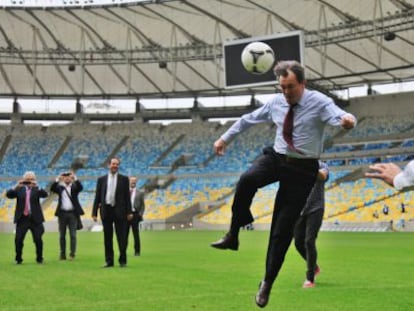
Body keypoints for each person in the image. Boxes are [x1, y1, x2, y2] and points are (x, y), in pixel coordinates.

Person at [210, 60, 356, 308]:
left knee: (281, 231)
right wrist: (225, 137)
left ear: (302, 83)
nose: (286, 93)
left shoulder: (319, 102)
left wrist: (348, 119)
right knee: (246, 180)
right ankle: (233, 234)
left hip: (302, 169)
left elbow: (339, 115)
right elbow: (248, 119)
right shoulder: (276, 102)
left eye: (291, 87)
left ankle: (267, 282)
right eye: (282, 87)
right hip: (276, 158)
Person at [92, 157, 133, 268]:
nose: (115, 166)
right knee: (107, 238)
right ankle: (109, 261)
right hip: (106, 211)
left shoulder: (124, 179)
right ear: (109, 165)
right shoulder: (101, 179)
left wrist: (129, 212)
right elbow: (98, 196)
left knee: (122, 238)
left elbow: (127, 197)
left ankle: (122, 260)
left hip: (120, 211)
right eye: (113, 164)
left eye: (117, 164)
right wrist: (94, 212)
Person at [294, 161, 329, 289]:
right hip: (300, 210)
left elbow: (323, 176)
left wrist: (308, 167)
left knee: (309, 241)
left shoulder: (322, 166)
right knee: (298, 243)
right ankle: (314, 266)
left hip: (316, 208)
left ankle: (310, 278)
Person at [6, 171, 48, 264]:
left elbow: (45, 194)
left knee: (38, 239)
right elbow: (9, 195)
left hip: (35, 219)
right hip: (22, 219)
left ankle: (39, 258)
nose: (29, 181)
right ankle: (18, 259)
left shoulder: (37, 189)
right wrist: (16, 186)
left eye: (31, 179)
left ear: (35, 180)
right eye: (27, 179)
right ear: (24, 179)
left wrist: (37, 186)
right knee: (18, 240)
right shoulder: (19, 189)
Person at [50, 171, 84, 260]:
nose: (67, 178)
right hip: (62, 214)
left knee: (73, 235)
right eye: (65, 177)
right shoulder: (60, 187)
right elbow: (52, 188)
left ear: (71, 178)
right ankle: (62, 254)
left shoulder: (75, 187)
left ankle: (72, 254)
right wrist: (57, 179)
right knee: (62, 235)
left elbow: (81, 187)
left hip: (73, 214)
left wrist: (75, 178)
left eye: (69, 176)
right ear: (63, 178)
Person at [127, 176, 145, 256]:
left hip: (135, 215)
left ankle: (137, 252)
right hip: (126, 215)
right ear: (129, 181)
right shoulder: (124, 192)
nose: (133, 182)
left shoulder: (140, 193)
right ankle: (123, 251)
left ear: (136, 182)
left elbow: (142, 205)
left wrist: (139, 215)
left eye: (134, 181)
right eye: (131, 181)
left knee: (136, 234)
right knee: (124, 235)